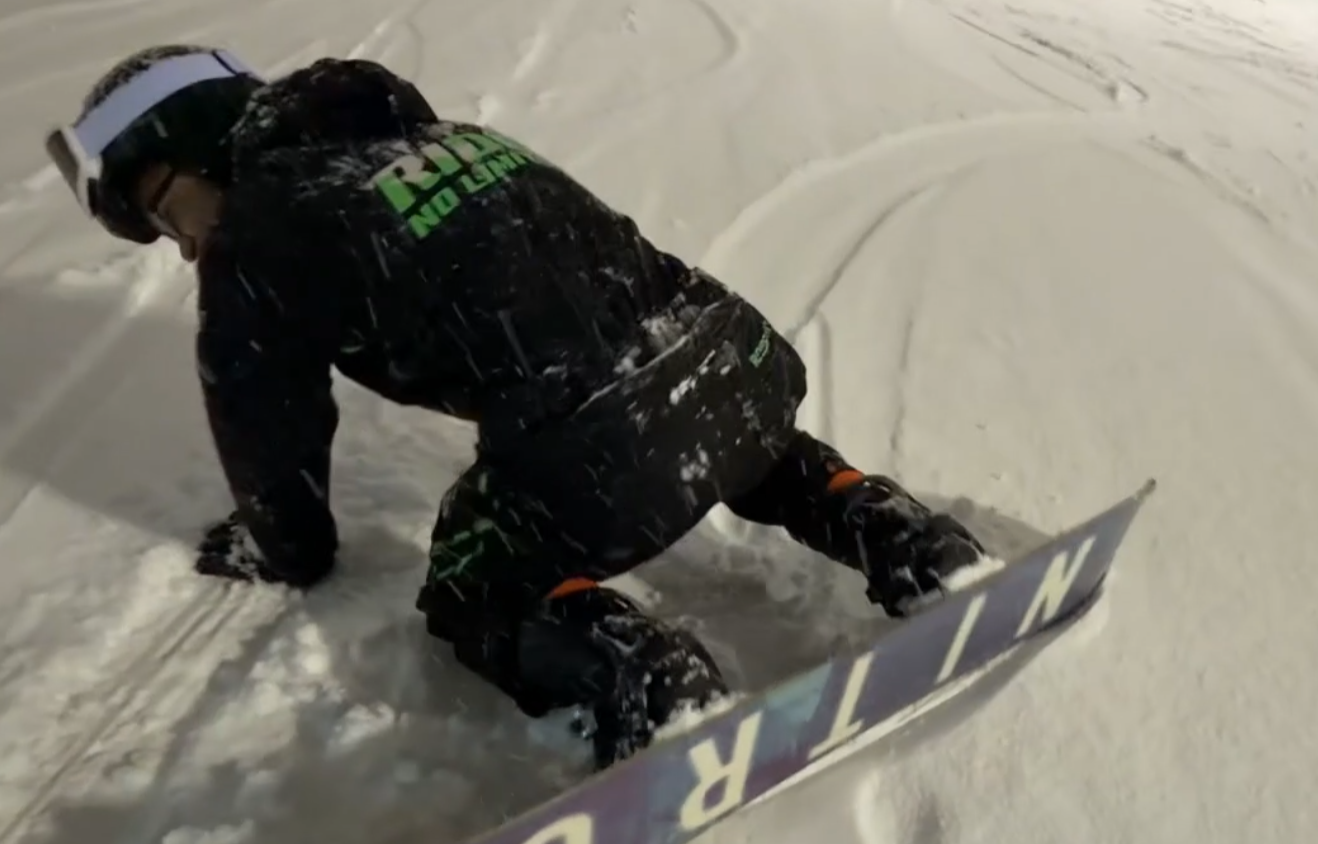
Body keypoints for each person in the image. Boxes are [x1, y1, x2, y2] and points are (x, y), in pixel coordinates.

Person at [44, 45, 992, 769]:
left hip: (603, 445)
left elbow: (265, 424)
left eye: (164, 210)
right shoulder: (431, 138)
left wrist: (283, 547)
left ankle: (643, 676)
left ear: (195, 146)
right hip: (731, 354)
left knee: (475, 580)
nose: (181, 245)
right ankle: (899, 533)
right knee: (737, 436)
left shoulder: (259, 231)